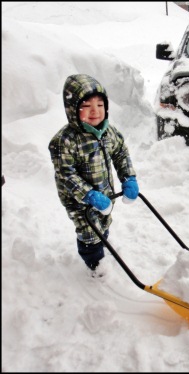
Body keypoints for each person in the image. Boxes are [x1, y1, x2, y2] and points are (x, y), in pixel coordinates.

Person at [48, 74, 139, 275]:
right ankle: (95, 262)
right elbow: (66, 175)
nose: (94, 111)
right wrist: (89, 195)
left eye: (99, 105)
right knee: (89, 233)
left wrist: (128, 178)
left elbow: (121, 153)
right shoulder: (65, 141)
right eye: (86, 106)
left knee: (104, 222)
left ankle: (102, 241)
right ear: (73, 110)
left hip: (104, 191)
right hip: (78, 199)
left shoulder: (109, 132)